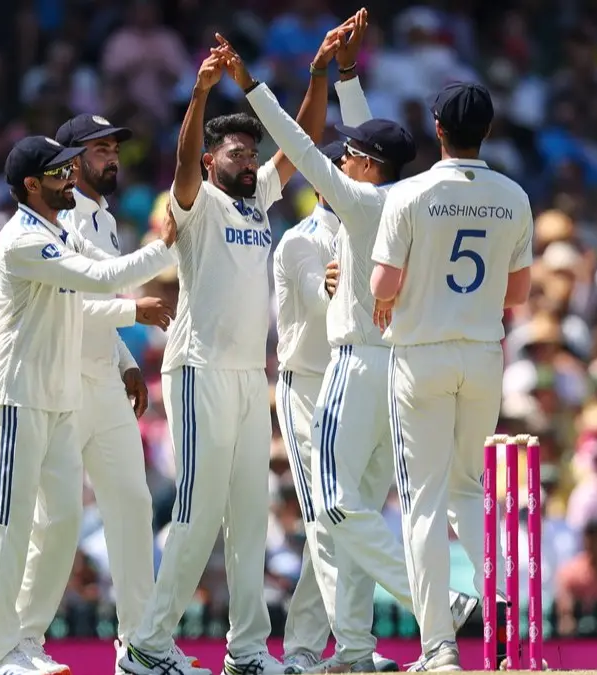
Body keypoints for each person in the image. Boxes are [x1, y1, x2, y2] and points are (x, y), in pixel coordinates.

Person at [218, 19, 480, 667]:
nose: (336, 158)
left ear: (362, 166)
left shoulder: (360, 205)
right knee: (356, 511)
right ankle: (356, 645)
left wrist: (249, 83)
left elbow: (296, 143)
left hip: (351, 368)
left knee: (337, 511)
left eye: (349, 155)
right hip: (403, 371)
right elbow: (373, 146)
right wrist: (346, 77)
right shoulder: (415, 199)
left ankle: (430, 608)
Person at [120, 23, 354, 675]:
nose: (248, 161)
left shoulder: (259, 204)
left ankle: (248, 650)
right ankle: (148, 643)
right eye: (236, 153)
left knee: (250, 516)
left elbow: (301, 144)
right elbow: (183, 160)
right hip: (198, 371)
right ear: (210, 161)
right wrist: (198, 98)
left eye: (251, 152)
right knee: (196, 510)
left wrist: (316, 78)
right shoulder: (195, 204)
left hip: (253, 377)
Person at [0, 135, 177, 675]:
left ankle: (27, 643)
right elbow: (105, 280)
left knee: (62, 522)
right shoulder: (21, 239)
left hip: (59, 397)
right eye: (60, 171)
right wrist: (168, 245)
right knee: (10, 524)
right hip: (16, 394)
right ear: (32, 185)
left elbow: (100, 288)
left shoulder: (60, 230)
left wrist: (122, 354)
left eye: (71, 168)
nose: (72, 178)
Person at [369, 82, 533, 670]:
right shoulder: (513, 196)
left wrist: (401, 289)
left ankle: (438, 646)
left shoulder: (410, 194)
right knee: (470, 491)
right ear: (486, 130)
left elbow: (382, 289)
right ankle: (507, 607)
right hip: (483, 353)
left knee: (422, 502)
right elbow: (517, 294)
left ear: (437, 127)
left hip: (420, 353)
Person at [272, 139, 396, 673]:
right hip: (308, 386)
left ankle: (322, 647)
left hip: (360, 385)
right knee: (329, 519)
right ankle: (344, 650)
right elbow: (316, 290)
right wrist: (331, 284)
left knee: (352, 516)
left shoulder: (376, 219)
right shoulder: (301, 240)